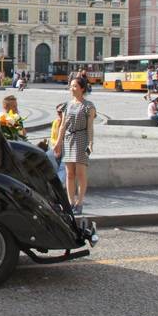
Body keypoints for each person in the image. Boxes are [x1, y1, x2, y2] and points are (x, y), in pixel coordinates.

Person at [54, 78, 96, 215]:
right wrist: (58, 142)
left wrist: (90, 143)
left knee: (80, 173)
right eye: (71, 86)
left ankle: (80, 202)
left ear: (82, 88)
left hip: (81, 139)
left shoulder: (89, 106)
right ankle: (70, 202)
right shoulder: (68, 105)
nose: (72, 88)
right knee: (69, 174)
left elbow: (90, 127)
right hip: (68, 139)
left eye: (74, 86)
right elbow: (62, 126)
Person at [42, 102, 67, 184]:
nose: (58, 114)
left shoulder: (70, 123)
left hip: (67, 148)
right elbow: (52, 137)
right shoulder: (56, 122)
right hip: (56, 146)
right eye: (57, 112)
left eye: (60, 112)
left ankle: (58, 184)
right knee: (48, 157)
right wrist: (56, 146)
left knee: (64, 167)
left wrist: (60, 146)